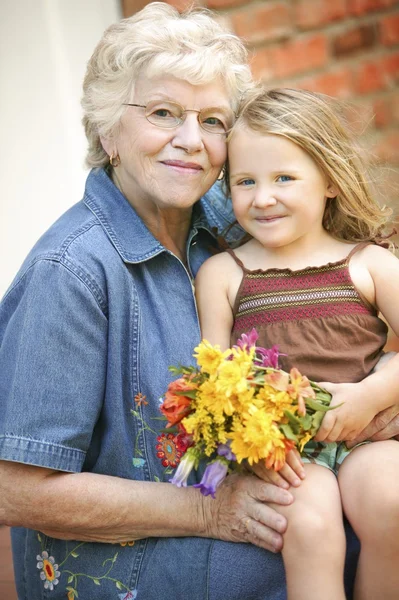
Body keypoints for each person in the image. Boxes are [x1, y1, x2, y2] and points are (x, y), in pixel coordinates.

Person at [0, 5, 398, 599]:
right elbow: (16, 488)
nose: (191, 140)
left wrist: (378, 395)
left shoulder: (231, 221)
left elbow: (341, 334)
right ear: (109, 130)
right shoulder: (71, 273)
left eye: (212, 120)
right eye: (163, 113)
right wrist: (208, 511)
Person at [195, 87, 399, 600]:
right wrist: (255, 436)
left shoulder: (367, 264)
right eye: (245, 182)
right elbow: (215, 380)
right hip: (285, 453)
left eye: (284, 178)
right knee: (310, 530)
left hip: (366, 440)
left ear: (329, 180)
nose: (263, 197)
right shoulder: (224, 274)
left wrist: (374, 395)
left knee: (394, 505)